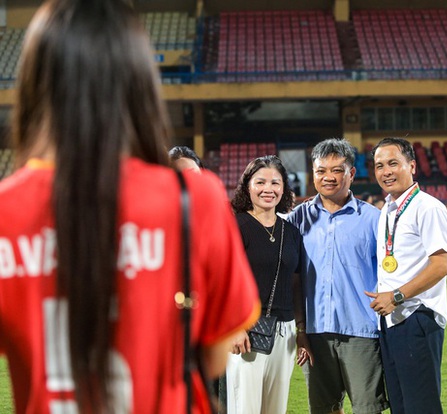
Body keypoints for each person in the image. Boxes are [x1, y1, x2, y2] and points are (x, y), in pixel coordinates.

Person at [0, 1, 260, 413]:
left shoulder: (6, 210)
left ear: (35, 84)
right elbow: (213, 356)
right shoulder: (194, 197)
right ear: (139, 84)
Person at [287, 138, 388, 414]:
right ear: (313, 174)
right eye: (321, 171)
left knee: (368, 409)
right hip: (314, 332)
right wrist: (301, 330)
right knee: (323, 409)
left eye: (337, 170)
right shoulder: (297, 219)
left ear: (351, 173)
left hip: (361, 331)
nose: (328, 177)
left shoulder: (373, 219)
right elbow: (292, 278)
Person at [366, 137, 447, 414]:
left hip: (416, 316)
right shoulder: (387, 209)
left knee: (420, 406)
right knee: (401, 406)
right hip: (391, 320)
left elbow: (441, 265)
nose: (386, 171)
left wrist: (396, 296)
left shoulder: (428, 207)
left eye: (393, 163)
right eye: (379, 166)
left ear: (411, 166)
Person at [227, 156, 312, 414]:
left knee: (276, 409)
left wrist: (301, 330)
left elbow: (295, 284)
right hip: (247, 330)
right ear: (248, 186)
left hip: (285, 332)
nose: (268, 189)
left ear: (284, 188)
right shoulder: (236, 225)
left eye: (275, 183)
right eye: (260, 182)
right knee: (245, 407)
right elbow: (223, 280)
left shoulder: (291, 232)